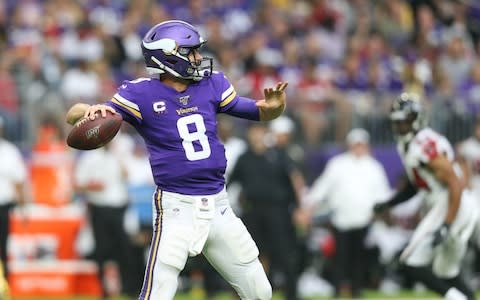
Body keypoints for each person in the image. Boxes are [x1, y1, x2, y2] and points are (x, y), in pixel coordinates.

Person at [66, 20, 287, 300]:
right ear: (168, 56)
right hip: (177, 207)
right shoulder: (141, 93)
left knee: (260, 292)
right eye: (191, 52)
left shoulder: (212, 83)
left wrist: (275, 108)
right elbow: (75, 115)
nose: (198, 58)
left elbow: (259, 111)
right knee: (158, 293)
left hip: (219, 205)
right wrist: (91, 110)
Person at [373, 93, 478, 300]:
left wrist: (446, 223)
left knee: (410, 261)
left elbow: (454, 183)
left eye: (404, 121)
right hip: (454, 204)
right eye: (397, 122)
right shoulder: (413, 143)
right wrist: (390, 203)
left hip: (451, 203)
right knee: (445, 274)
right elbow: (417, 184)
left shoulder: (422, 145)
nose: (400, 126)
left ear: (417, 120)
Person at [295, 128, 391, 298]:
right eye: (356, 144)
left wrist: (380, 212)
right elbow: (322, 187)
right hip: (341, 218)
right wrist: (308, 205)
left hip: (364, 219)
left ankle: (356, 289)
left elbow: (382, 193)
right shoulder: (338, 164)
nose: (358, 147)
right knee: (340, 257)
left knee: (359, 257)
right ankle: (337, 288)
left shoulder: (373, 166)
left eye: (361, 144)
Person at [229, 122, 303, 300]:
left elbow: (295, 180)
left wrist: (300, 208)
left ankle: (291, 295)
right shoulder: (244, 157)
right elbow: (230, 182)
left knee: (285, 255)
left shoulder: (278, 155)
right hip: (252, 211)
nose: (257, 136)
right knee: (251, 256)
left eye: (260, 132)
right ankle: (250, 294)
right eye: (253, 132)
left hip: (278, 211)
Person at [74, 143, 139, 298]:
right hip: (99, 207)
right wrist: (91, 186)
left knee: (125, 249)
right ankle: (104, 290)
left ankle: (129, 288)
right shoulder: (89, 157)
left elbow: (128, 175)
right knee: (102, 250)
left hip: (119, 207)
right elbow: (77, 184)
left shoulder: (119, 154)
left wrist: (119, 157)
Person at [0, 116, 27, 280]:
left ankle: (4, 285)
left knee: (3, 245)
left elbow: (19, 182)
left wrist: (23, 208)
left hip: (4, 206)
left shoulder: (10, 152)